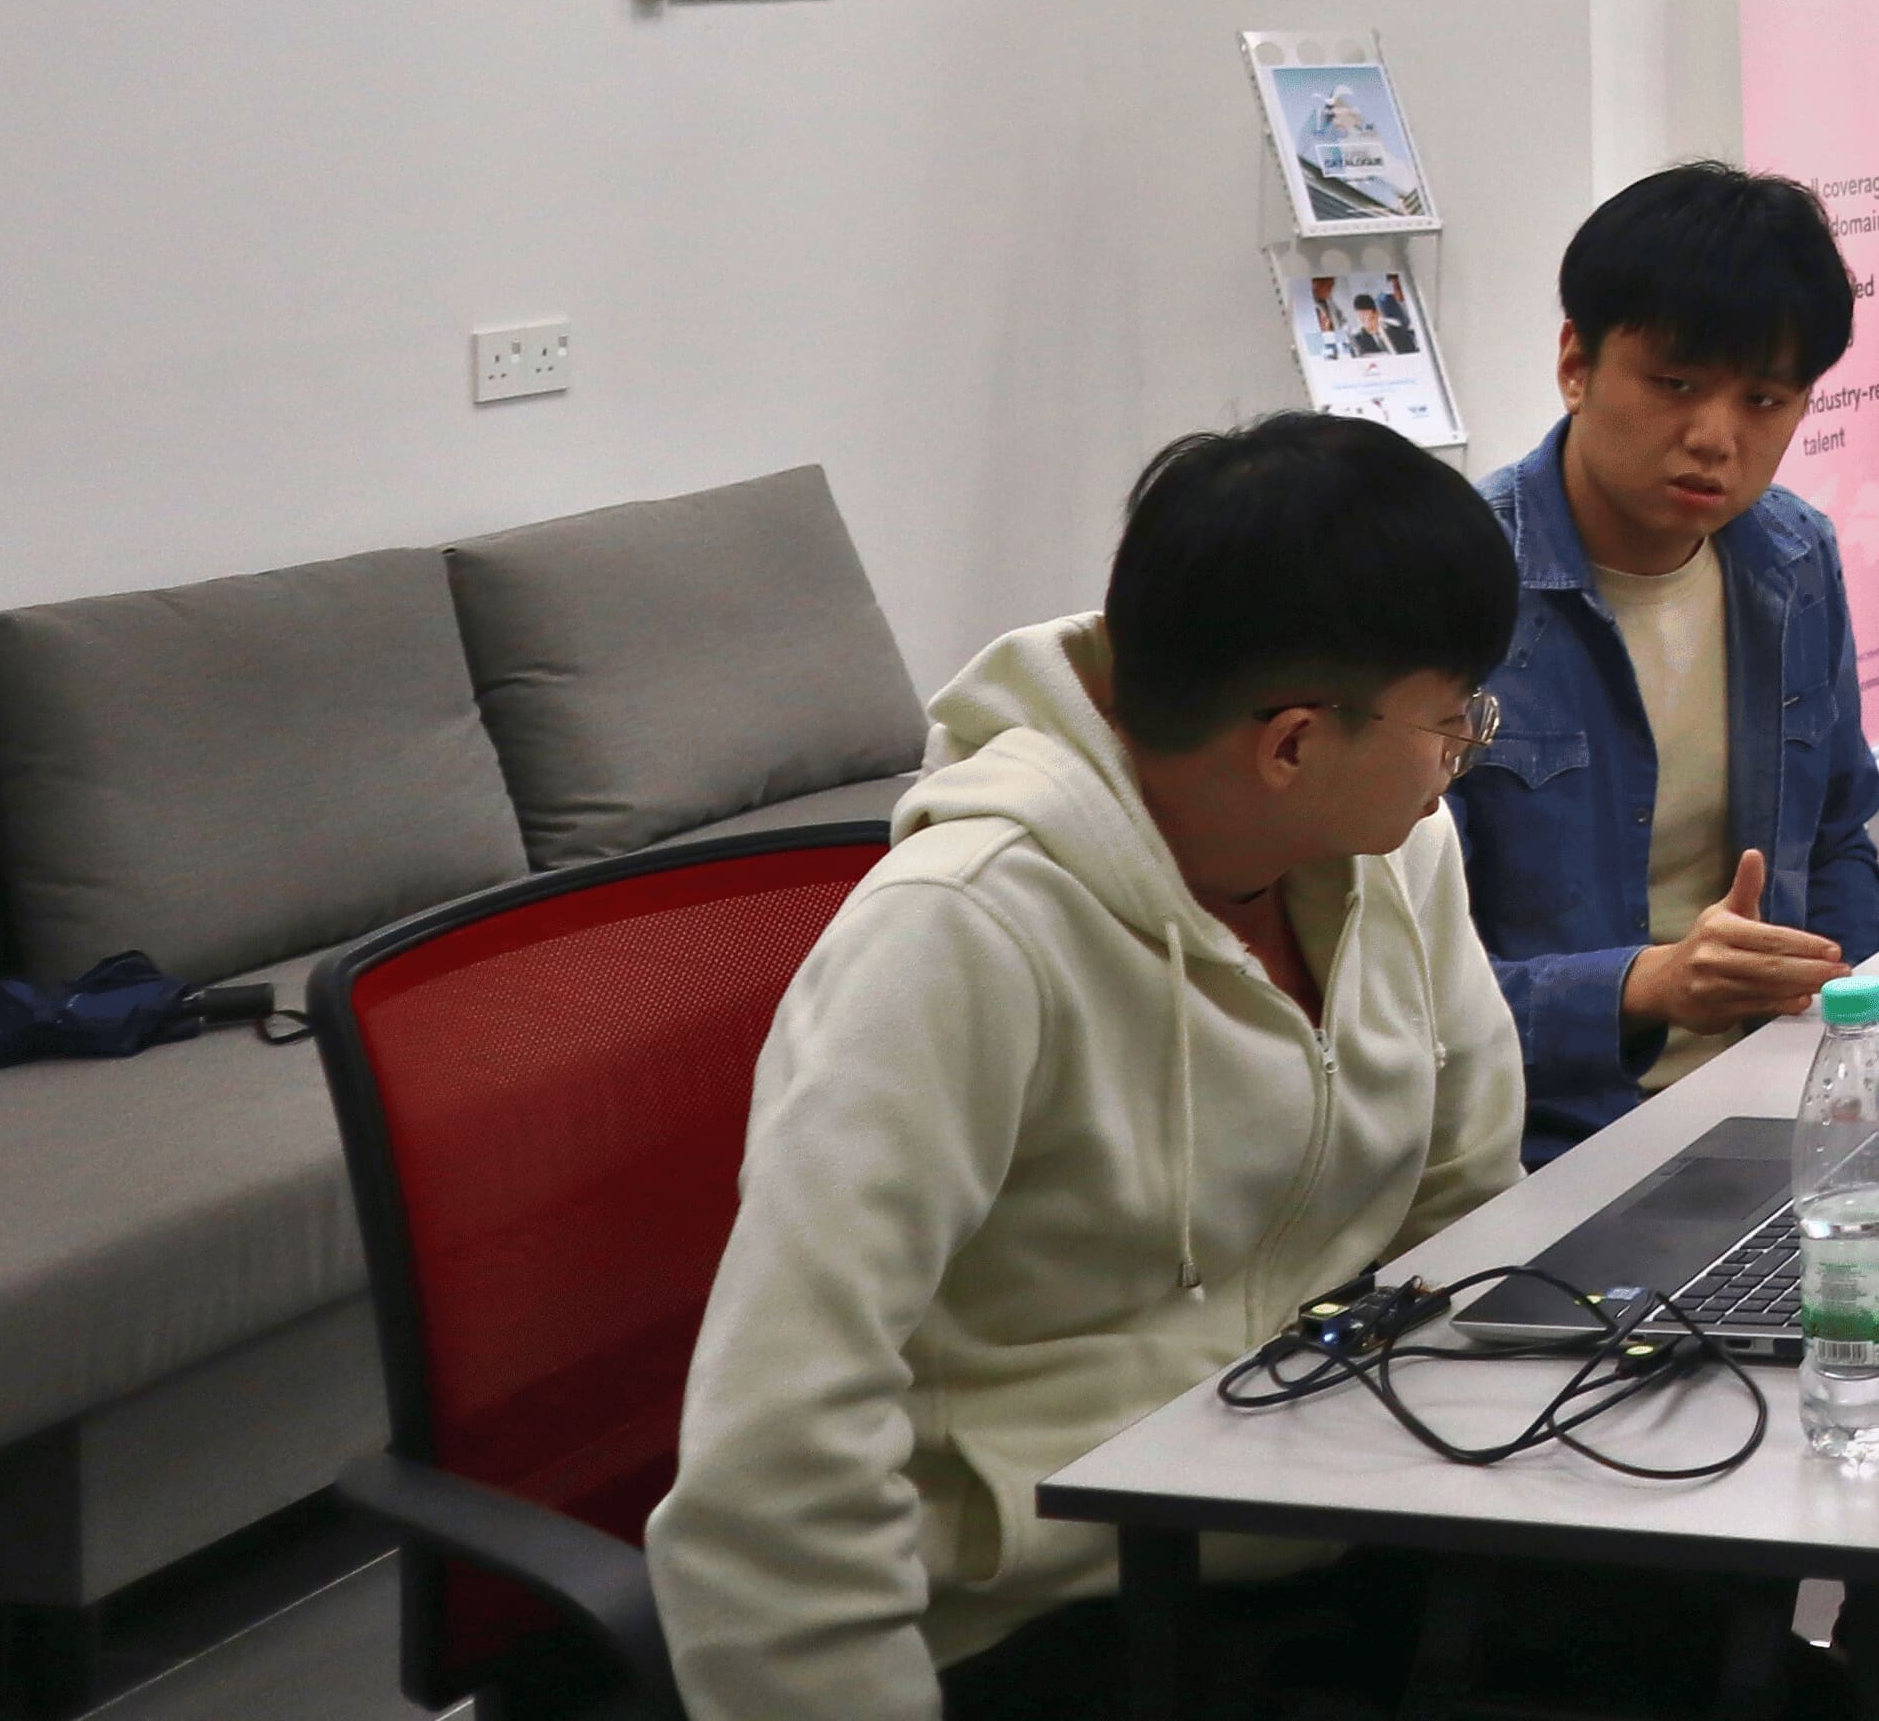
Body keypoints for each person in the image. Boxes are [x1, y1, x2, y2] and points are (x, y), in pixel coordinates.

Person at [654, 414, 1529, 1721]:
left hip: (1352, 1519)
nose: (1464, 747)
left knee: (1738, 1658)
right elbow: (772, 1461)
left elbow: (1469, 1213)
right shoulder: (961, 933)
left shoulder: (1395, 852)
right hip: (1058, 1612)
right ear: (1292, 743)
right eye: (1452, 716)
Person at [1450, 162, 1879, 1163]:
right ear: (1576, 362)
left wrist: (1869, 1046)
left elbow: (1836, 840)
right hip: (1545, 1141)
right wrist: (1644, 987)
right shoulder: (1452, 592)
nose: (1714, 438)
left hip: (1783, 1100)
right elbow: (1396, 996)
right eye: (1676, 385)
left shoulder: (1795, 559)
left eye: (1764, 399)